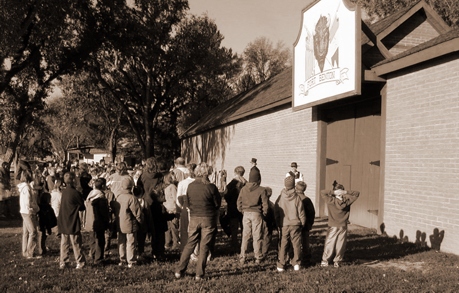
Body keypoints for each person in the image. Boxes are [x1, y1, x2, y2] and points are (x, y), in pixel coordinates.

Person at [174, 163, 221, 281]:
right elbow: (217, 204)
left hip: (194, 217)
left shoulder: (190, 186)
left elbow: (187, 202)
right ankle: (199, 274)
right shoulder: (211, 187)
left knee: (190, 244)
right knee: (204, 246)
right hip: (208, 218)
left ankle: (179, 270)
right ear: (208, 173)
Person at [320, 182, 360, 267]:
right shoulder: (347, 201)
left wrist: (333, 192)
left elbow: (322, 192)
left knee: (330, 243)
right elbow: (357, 193)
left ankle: (325, 261)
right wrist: (345, 192)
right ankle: (337, 261)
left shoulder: (331, 200)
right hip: (343, 225)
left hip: (332, 225)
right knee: (340, 244)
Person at [137, 157, 167, 260]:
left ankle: (140, 251)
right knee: (158, 230)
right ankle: (158, 252)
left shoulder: (142, 176)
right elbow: (162, 189)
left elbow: (139, 189)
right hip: (157, 204)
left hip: (145, 203)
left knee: (143, 229)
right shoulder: (159, 176)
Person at [237, 165, 268, 265]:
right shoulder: (262, 190)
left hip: (246, 213)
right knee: (257, 236)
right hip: (257, 214)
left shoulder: (243, 189)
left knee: (245, 236)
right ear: (258, 179)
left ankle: (242, 257)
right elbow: (265, 204)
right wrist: (264, 213)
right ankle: (258, 256)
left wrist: (242, 211)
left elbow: (239, 202)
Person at [275, 176, 305, 272]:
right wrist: (302, 223)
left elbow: (276, 211)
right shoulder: (297, 197)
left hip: (284, 224)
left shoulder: (280, 197)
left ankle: (281, 264)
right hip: (295, 223)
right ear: (293, 185)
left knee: (283, 244)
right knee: (296, 244)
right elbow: (301, 212)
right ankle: (296, 263)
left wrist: (278, 223)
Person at [58, 172, 86, 269]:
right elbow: (82, 207)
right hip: (72, 219)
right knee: (76, 242)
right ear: (73, 180)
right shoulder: (75, 193)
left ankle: (63, 261)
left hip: (63, 219)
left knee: (64, 242)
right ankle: (80, 261)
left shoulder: (64, 192)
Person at [113, 177, 142, 268]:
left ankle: (122, 259)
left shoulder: (118, 197)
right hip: (130, 223)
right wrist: (140, 221)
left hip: (120, 222)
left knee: (121, 241)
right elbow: (137, 212)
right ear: (131, 187)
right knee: (131, 242)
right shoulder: (132, 198)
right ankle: (131, 260)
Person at [84, 178, 110, 265]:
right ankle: (99, 258)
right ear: (103, 186)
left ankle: (92, 253)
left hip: (90, 220)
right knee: (100, 240)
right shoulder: (101, 197)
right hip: (99, 222)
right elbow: (103, 212)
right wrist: (106, 222)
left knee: (92, 239)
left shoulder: (90, 195)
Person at [223, 166, 246, 254]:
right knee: (244, 227)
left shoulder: (231, 184)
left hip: (233, 208)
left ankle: (234, 244)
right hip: (244, 208)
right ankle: (244, 244)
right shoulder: (246, 183)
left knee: (234, 227)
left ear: (235, 172)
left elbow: (226, 195)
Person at [19, 169, 40, 259]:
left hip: (23, 211)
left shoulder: (23, 187)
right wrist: (36, 208)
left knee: (26, 232)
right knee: (33, 232)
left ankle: (25, 251)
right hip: (28, 211)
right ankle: (30, 252)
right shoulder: (27, 188)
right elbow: (29, 201)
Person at [176, 163, 197, 252]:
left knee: (185, 229)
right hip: (196, 207)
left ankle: (185, 248)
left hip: (185, 206)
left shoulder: (182, 183)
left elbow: (178, 198)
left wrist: (180, 208)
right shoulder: (197, 182)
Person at [295, 181, 315, 267]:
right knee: (305, 242)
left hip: (294, 224)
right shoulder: (307, 200)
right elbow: (311, 213)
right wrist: (309, 224)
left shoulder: (293, 198)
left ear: (296, 188)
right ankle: (306, 260)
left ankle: (294, 259)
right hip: (305, 225)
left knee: (294, 242)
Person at [163, 171, 180, 251]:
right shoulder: (172, 186)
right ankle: (175, 243)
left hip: (166, 207)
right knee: (174, 227)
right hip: (172, 208)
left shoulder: (164, 186)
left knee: (168, 228)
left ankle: (167, 243)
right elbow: (175, 198)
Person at [261, 186, 276, 258]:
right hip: (268, 223)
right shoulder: (272, 205)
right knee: (267, 237)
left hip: (261, 221)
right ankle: (264, 252)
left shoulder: (260, 203)